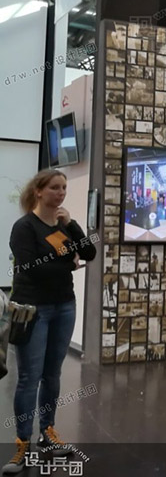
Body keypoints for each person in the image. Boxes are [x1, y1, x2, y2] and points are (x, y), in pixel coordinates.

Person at [4, 170, 97, 473]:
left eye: (64, 188)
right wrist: (68, 264)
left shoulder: (62, 225)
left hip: (64, 307)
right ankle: (22, 443)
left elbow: (90, 252)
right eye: (55, 188)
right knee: (29, 378)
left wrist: (72, 224)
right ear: (39, 191)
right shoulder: (24, 227)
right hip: (34, 309)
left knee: (52, 375)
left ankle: (48, 433)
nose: (61, 193)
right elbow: (31, 268)